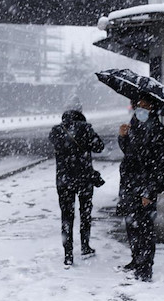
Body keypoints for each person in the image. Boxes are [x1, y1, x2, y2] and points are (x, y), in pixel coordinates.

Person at [118, 97, 164, 281]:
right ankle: (136, 259)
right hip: (129, 184)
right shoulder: (134, 125)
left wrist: (149, 191)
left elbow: (160, 165)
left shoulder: (159, 131)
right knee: (132, 225)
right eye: (139, 105)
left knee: (145, 228)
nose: (140, 108)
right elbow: (129, 153)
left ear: (152, 108)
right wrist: (123, 137)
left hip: (145, 186)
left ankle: (145, 267)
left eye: (145, 106)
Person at [49, 97, 105, 266]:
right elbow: (99, 147)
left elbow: (56, 145)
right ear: (80, 111)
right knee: (85, 213)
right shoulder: (86, 129)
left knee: (67, 216)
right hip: (84, 179)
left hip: (64, 179)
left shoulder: (57, 131)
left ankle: (68, 254)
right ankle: (85, 246)